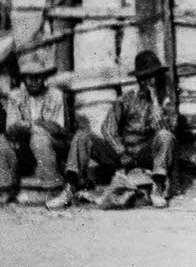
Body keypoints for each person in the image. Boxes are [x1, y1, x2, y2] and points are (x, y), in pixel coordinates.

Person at [46, 50, 176, 210]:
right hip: (122, 154)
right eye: (147, 77)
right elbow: (107, 128)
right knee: (82, 137)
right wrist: (121, 152)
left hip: (147, 154)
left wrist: (156, 103)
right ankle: (70, 188)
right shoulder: (127, 99)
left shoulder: (167, 100)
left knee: (165, 136)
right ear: (139, 79)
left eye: (155, 76)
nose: (152, 81)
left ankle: (158, 187)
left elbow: (170, 129)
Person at [0, 56, 68, 203]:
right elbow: (10, 128)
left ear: (44, 77)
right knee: (1, 140)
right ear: (23, 79)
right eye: (29, 78)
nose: (33, 81)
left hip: (53, 142)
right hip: (24, 144)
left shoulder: (55, 95)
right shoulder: (15, 96)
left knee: (39, 136)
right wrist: (21, 127)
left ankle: (53, 188)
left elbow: (58, 128)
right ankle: (5, 188)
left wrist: (35, 125)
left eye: (37, 77)